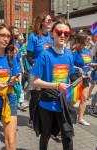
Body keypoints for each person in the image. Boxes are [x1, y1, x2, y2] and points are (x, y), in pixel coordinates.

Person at [31, 19, 75, 150]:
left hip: (63, 102)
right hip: (47, 103)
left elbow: (69, 77)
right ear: (52, 34)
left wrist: (72, 92)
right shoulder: (45, 55)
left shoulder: (69, 54)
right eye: (59, 32)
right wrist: (57, 86)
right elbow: (36, 81)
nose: (62, 35)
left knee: (67, 136)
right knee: (45, 135)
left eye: (66, 33)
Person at [26, 12, 54, 129]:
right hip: (37, 71)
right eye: (48, 21)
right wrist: (35, 65)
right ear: (42, 22)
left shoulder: (51, 37)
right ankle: (32, 119)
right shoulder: (33, 36)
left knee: (47, 95)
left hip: (49, 71)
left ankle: (44, 118)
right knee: (35, 97)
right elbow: (29, 56)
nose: (50, 22)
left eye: (51, 21)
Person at [72, 33, 95, 126]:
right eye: (88, 40)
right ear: (82, 40)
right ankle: (64, 112)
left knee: (84, 97)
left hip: (85, 76)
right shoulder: (74, 51)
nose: (90, 42)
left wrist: (91, 66)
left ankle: (80, 118)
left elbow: (87, 63)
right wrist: (78, 68)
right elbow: (69, 64)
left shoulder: (86, 50)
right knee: (74, 100)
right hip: (75, 76)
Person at [11, 26, 29, 111]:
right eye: (16, 31)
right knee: (14, 89)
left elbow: (19, 57)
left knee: (19, 88)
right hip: (11, 71)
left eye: (18, 31)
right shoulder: (8, 44)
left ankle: (20, 103)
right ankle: (14, 104)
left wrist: (22, 68)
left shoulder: (17, 44)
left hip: (18, 70)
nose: (18, 33)